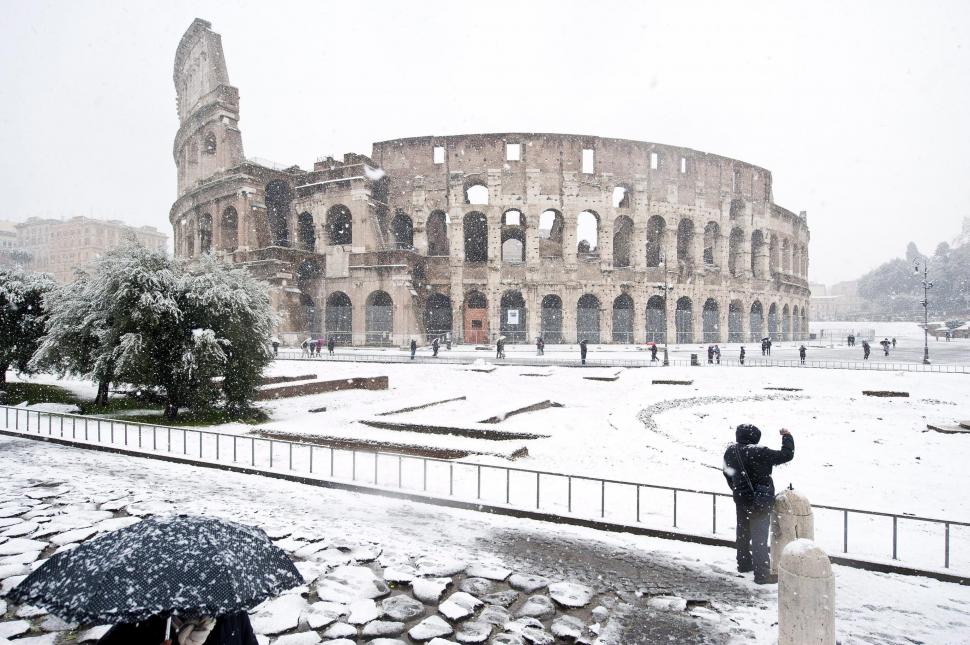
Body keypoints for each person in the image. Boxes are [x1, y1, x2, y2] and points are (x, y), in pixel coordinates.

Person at [722, 424, 795, 584]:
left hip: (741, 498)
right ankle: (762, 574)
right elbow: (786, 455)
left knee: (742, 532)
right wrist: (787, 436)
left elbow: (727, 474)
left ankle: (743, 564)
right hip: (760, 500)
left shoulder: (730, 452)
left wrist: (737, 489)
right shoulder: (760, 452)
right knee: (759, 537)